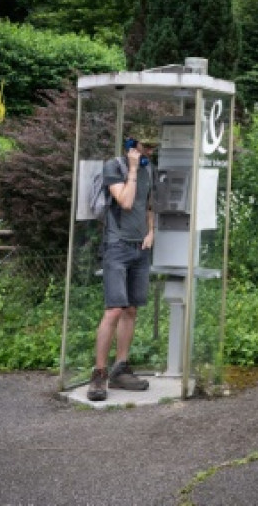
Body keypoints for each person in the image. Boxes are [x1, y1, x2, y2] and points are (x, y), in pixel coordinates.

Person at [88, 137, 156, 401]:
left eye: (151, 148)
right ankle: (99, 373)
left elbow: (147, 204)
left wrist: (151, 231)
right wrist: (133, 169)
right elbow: (126, 201)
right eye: (145, 147)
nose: (148, 152)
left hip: (140, 247)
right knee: (114, 308)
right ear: (131, 146)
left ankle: (121, 367)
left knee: (130, 309)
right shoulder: (114, 167)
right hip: (116, 245)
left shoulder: (149, 168)